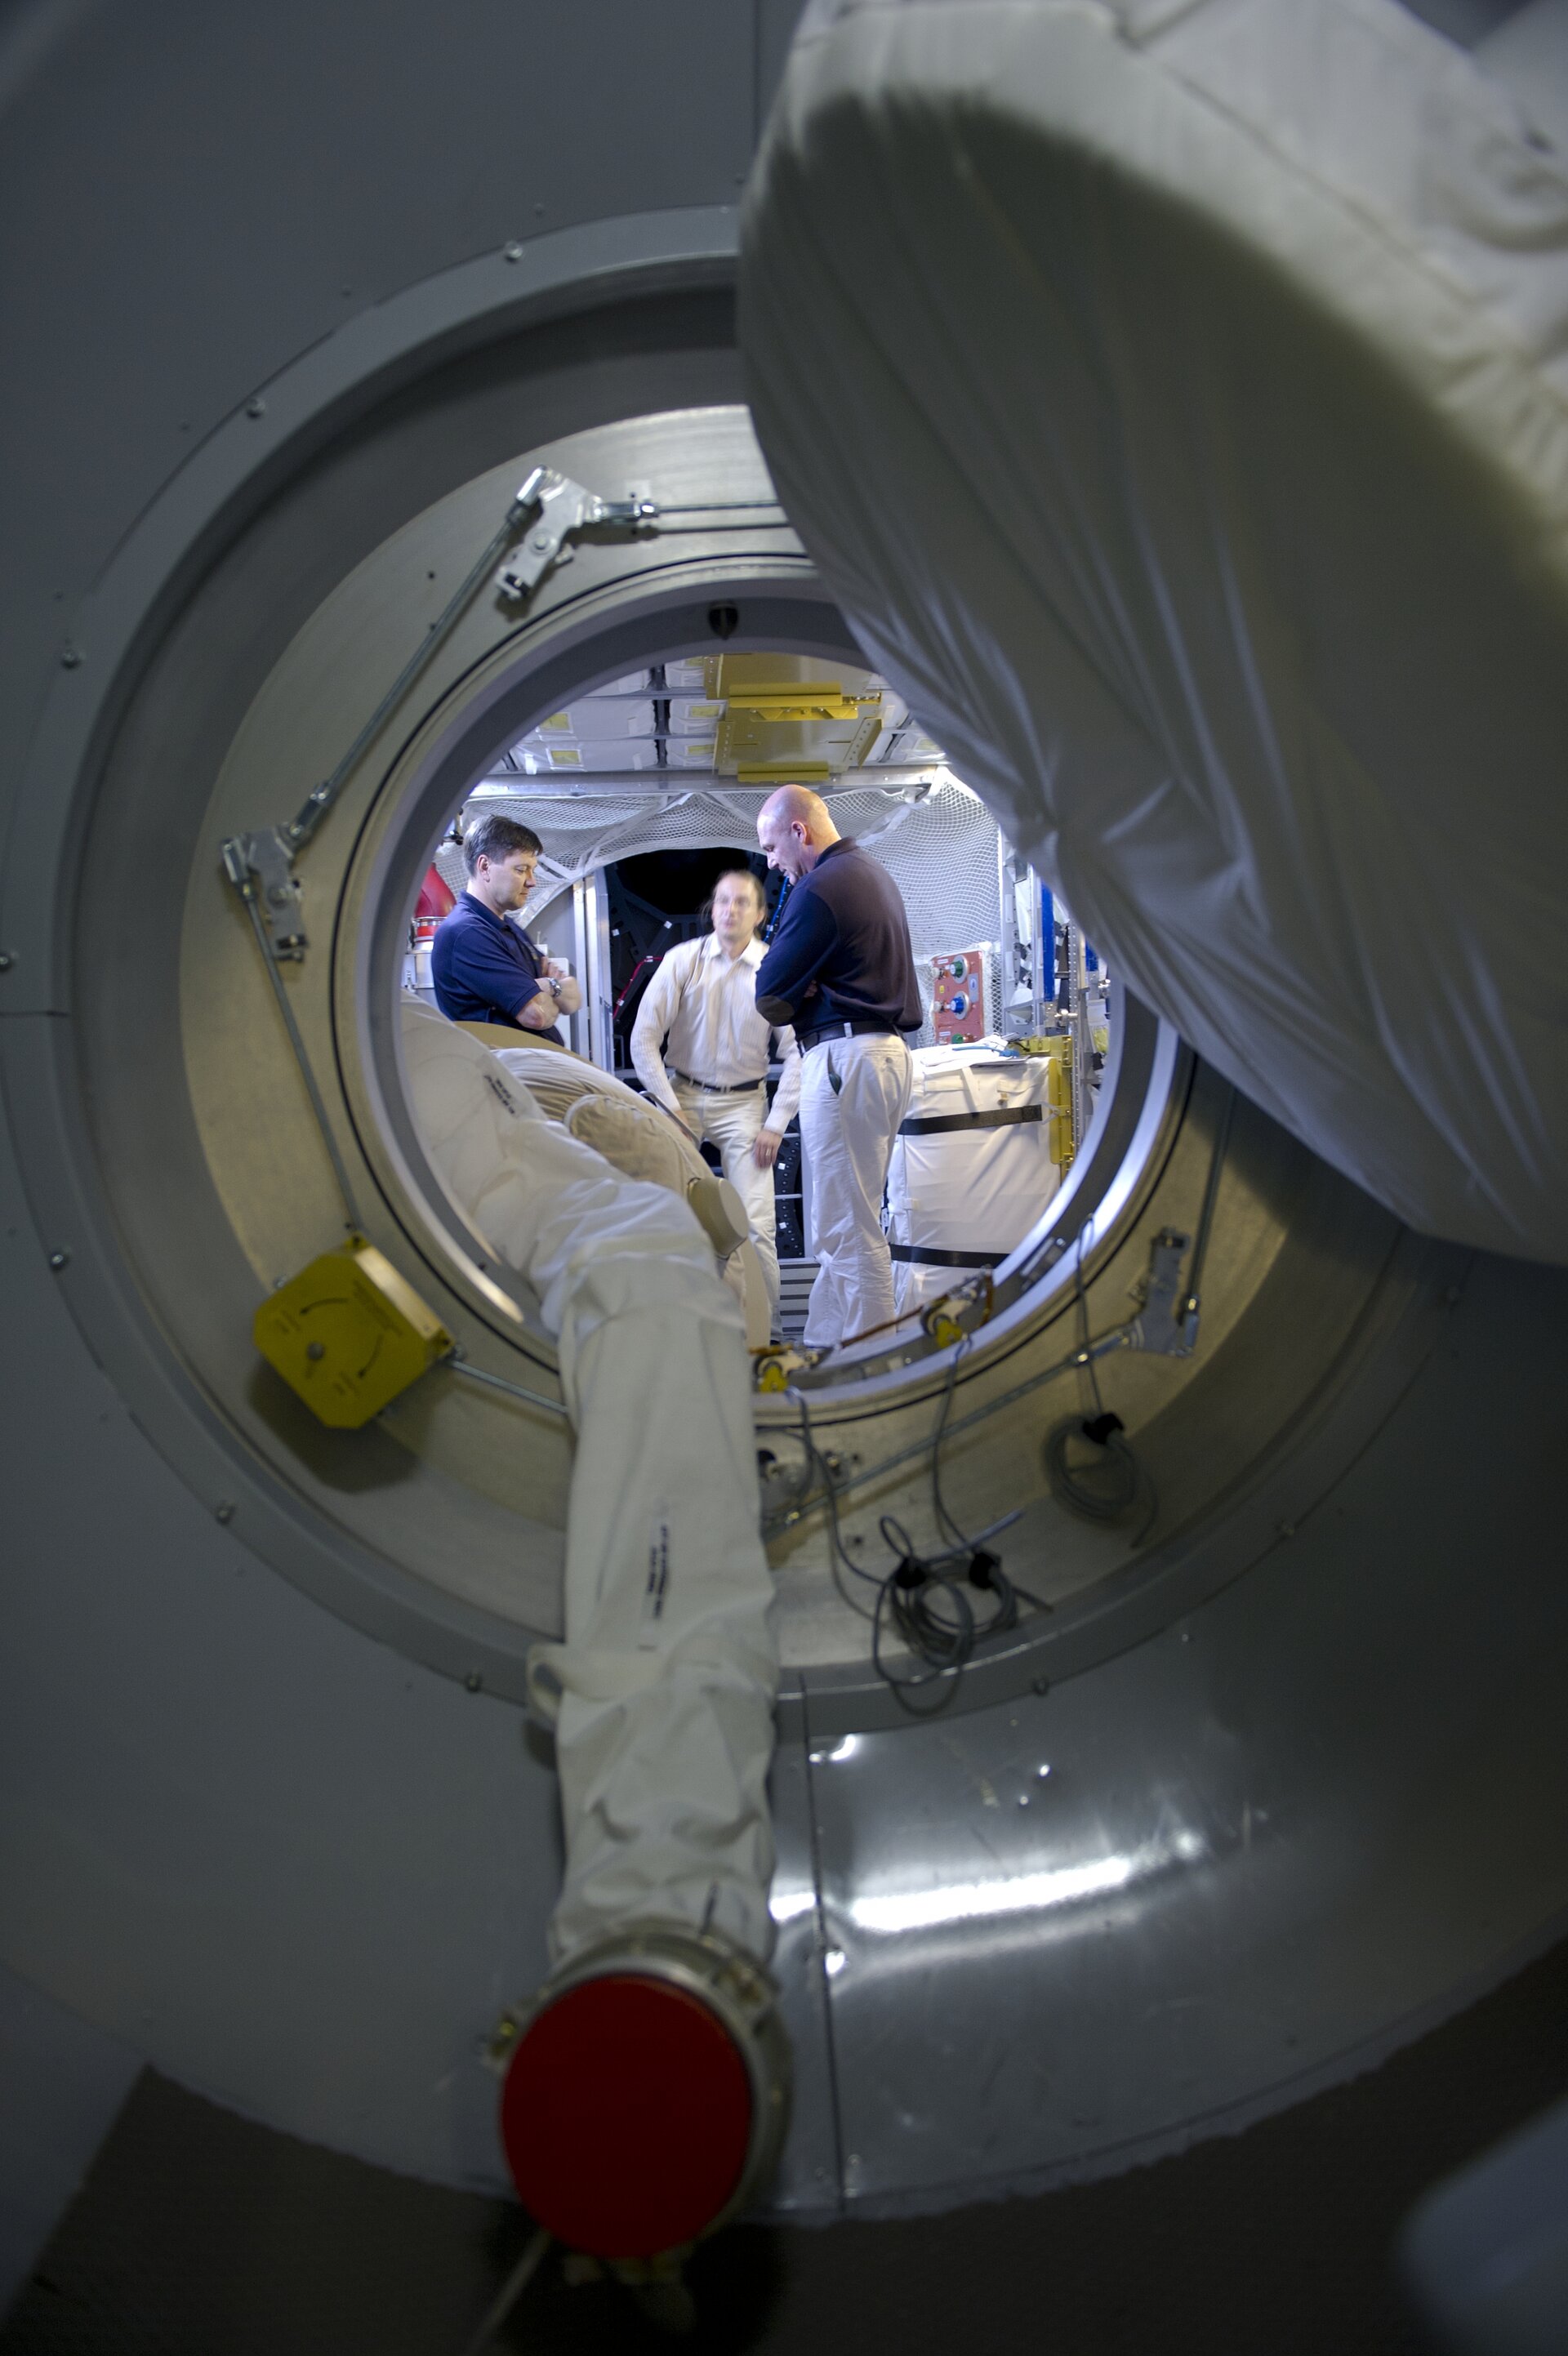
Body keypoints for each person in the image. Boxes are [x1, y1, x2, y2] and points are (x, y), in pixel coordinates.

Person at [754, 785, 922, 1348]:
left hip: (845, 1058)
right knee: (842, 1222)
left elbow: (770, 989)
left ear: (798, 831)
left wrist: (802, 988)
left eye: (773, 846)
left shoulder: (821, 886)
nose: (772, 863)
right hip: (880, 1054)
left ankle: (873, 1367)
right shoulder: (869, 873)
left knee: (849, 1229)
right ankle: (828, 1352)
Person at [630, 866, 801, 1325]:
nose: (729, 910)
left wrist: (775, 1123)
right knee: (666, 1215)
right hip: (682, 1095)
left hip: (746, 1106)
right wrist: (670, 1108)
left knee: (758, 1228)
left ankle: (768, 1335)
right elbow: (644, 1039)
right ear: (712, 908)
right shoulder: (684, 961)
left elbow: (798, 1053)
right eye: (722, 900)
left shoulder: (773, 969)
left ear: (760, 914)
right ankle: (671, 1324)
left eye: (742, 902)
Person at [430, 813, 582, 1044]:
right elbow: (538, 1016)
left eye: (532, 870)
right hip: (506, 1072)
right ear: (485, 867)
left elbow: (573, 1001)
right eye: (521, 870)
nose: (532, 881)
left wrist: (547, 987)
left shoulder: (508, 928)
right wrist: (553, 987)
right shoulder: (466, 933)